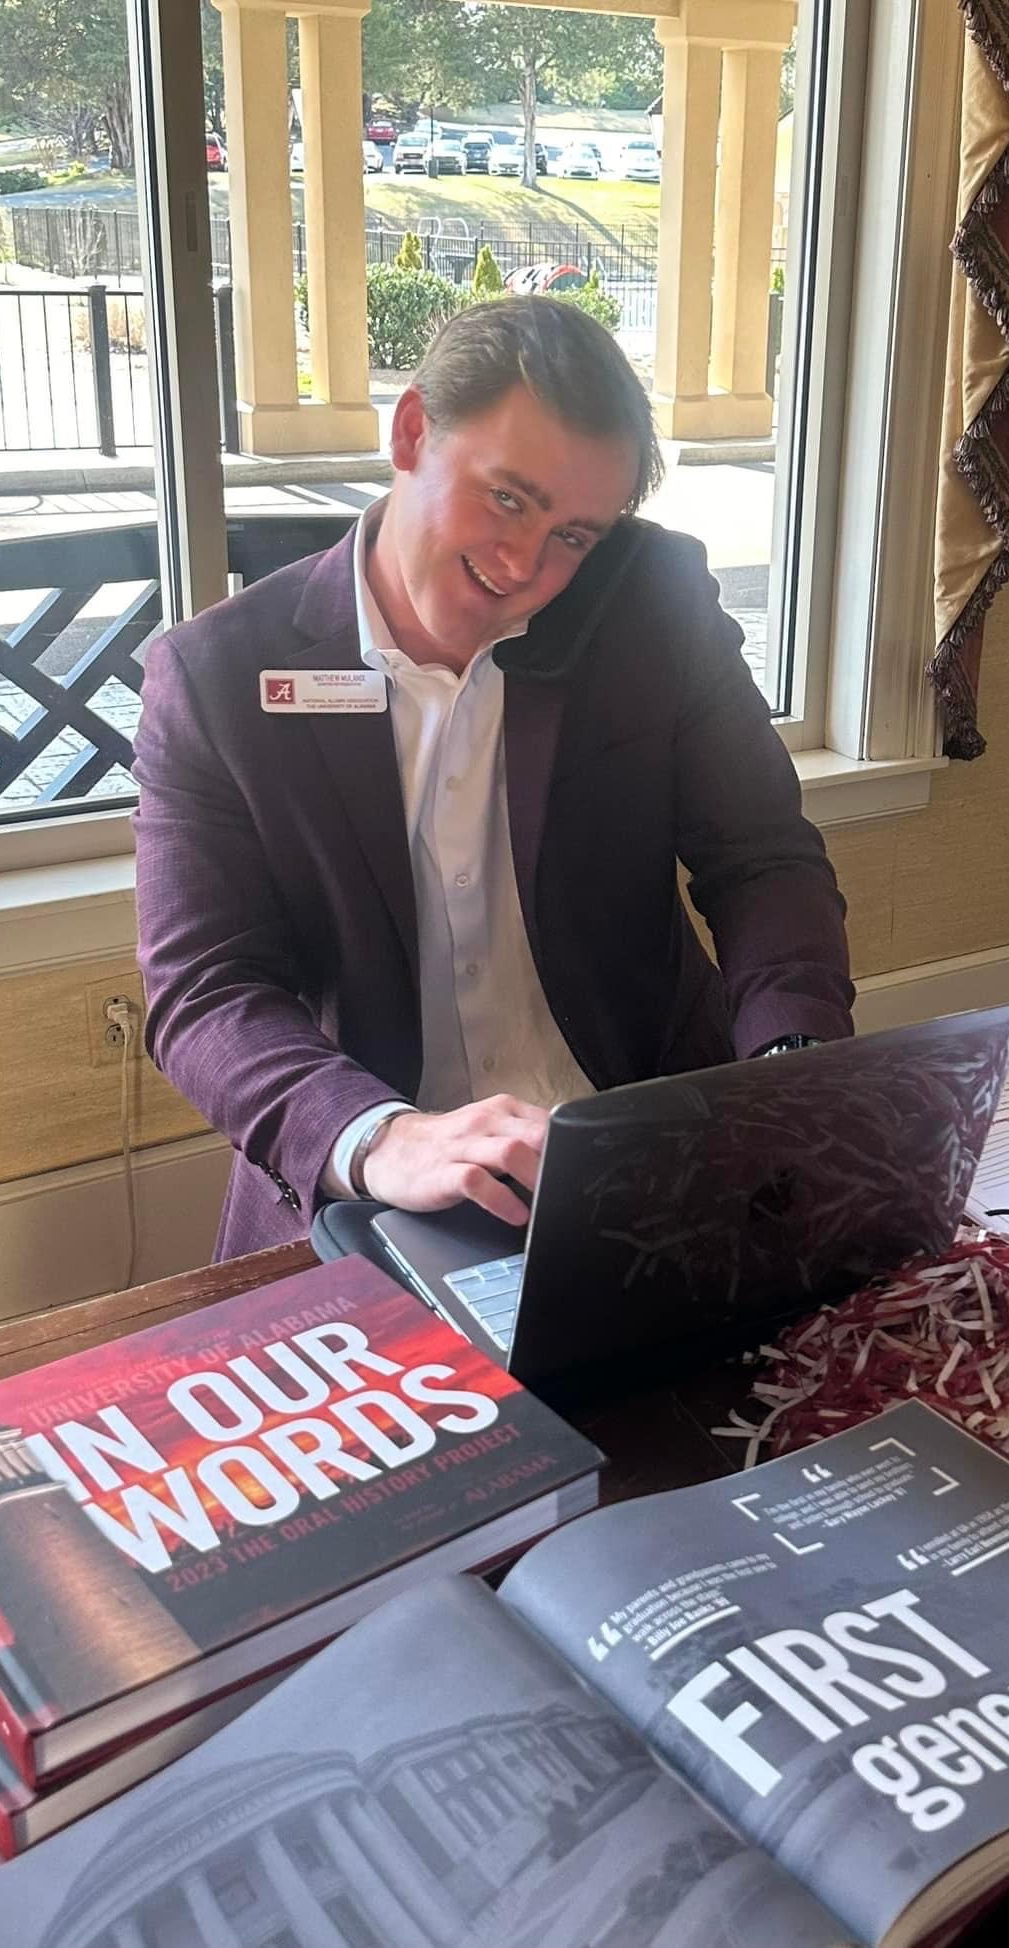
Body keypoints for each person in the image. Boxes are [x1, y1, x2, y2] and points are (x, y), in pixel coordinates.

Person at [133, 297, 853, 1264]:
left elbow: (762, 859)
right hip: (375, 1193)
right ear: (411, 432)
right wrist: (383, 1139)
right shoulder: (217, 677)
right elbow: (206, 989)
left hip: (646, 1143)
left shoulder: (651, 605)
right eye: (507, 499)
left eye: (574, 536)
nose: (523, 565)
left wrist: (792, 1062)